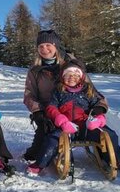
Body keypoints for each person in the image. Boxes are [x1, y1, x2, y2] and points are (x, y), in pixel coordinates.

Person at [23, 30, 108, 162]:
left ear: (56, 46)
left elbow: (90, 89)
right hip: (50, 109)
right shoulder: (35, 70)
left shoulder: (71, 65)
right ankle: (41, 150)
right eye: (40, 46)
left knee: (100, 131)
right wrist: (37, 111)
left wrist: (100, 106)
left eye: (48, 45)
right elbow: (29, 94)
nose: (44, 49)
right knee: (39, 148)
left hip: (76, 106)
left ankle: (107, 155)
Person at [26, 59, 119, 175]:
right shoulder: (59, 91)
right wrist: (61, 120)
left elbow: (98, 105)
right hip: (66, 128)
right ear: (63, 77)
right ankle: (40, 164)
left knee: (110, 135)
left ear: (81, 77)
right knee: (52, 140)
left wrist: (98, 119)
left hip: (86, 127)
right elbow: (51, 107)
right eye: (68, 75)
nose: (72, 77)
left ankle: (115, 159)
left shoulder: (88, 91)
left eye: (76, 74)